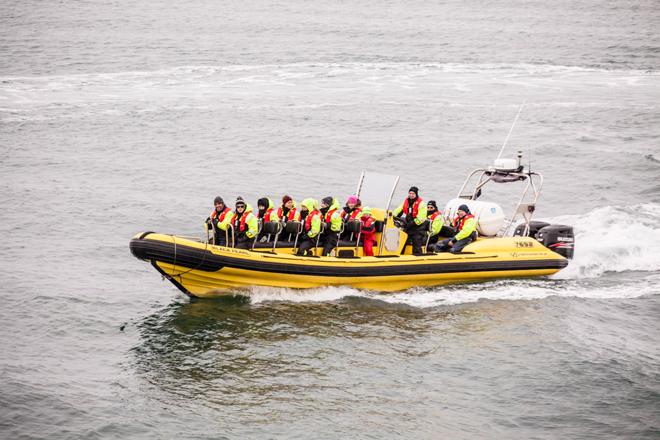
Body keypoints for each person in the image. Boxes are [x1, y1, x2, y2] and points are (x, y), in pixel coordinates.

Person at [393, 186, 428, 255]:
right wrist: (392, 215)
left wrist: (411, 223)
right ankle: (400, 255)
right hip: (409, 225)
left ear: (416, 194)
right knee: (402, 240)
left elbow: (421, 218)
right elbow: (398, 210)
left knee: (416, 242)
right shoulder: (406, 201)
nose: (411, 195)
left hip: (418, 227)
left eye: (413, 194)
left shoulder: (422, 204)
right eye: (410, 193)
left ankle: (418, 258)